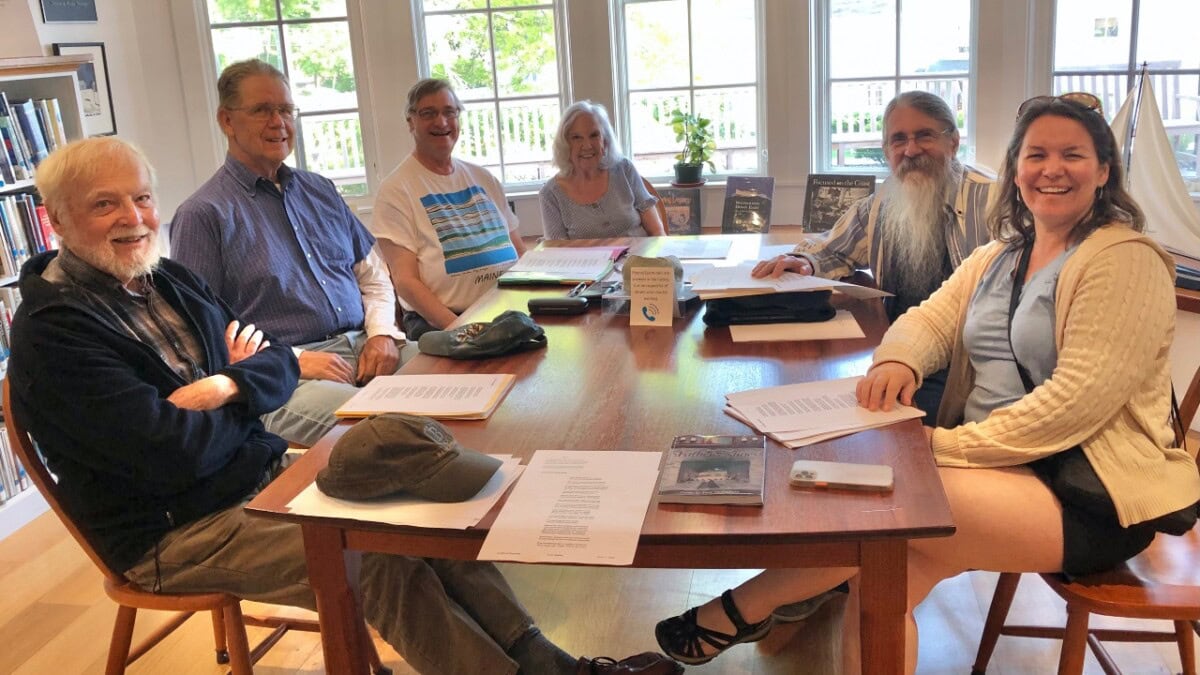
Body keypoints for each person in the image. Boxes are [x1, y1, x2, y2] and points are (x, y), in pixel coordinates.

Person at [9, 137, 682, 675]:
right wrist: (248, 385)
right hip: (175, 531)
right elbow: (173, 452)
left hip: (262, 478)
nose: (133, 219)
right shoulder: (54, 333)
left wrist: (229, 387)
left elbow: (272, 359)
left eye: (142, 198)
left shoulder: (169, 279)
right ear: (58, 219)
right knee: (379, 557)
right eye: (105, 205)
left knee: (428, 516)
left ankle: (546, 661)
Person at [654, 94, 1200, 673]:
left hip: (1091, 491)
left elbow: (1071, 408)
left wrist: (936, 449)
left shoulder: (1125, 259)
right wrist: (899, 362)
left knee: (877, 504)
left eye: (1073, 154)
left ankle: (741, 608)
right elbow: (931, 318)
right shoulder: (1002, 253)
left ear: (1104, 170)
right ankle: (742, 612)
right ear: (1016, 170)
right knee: (881, 578)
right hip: (1003, 469)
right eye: (1036, 154)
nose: (1052, 168)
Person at [171, 59, 404, 448]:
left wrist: (382, 334)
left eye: (285, 110)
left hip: (365, 347)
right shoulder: (203, 215)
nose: (278, 122)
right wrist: (293, 359)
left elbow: (373, 274)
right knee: (384, 430)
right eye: (262, 110)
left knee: (459, 381)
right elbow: (202, 328)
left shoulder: (321, 190)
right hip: (285, 375)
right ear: (227, 121)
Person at [754, 90, 994, 422]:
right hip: (894, 349)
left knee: (878, 432)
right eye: (898, 140)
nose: (910, 150)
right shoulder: (886, 200)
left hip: (965, 366)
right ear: (886, 151)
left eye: (924, 135)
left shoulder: (993, 200)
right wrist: (807, 261)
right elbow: (834, 247)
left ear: (952, 141)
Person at [370, 78, 528, 340]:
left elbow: (519, 252)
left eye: (449, 112)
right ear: (411, 122)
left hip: (508, 314)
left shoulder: (484, 179)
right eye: (428, 113)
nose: (441, 122)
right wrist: (465, 330)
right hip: (442, 323)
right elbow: (406, 282)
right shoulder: (396, 190)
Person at [539, 101, 665, 240]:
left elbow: (657, 231)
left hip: (640, 259)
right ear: (565, 144)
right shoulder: (550, 195)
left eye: (594, 135)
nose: (587, 145)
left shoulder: (624, 169)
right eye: (576, 137)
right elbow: (556, 252)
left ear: (605, 141)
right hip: (586, 262)